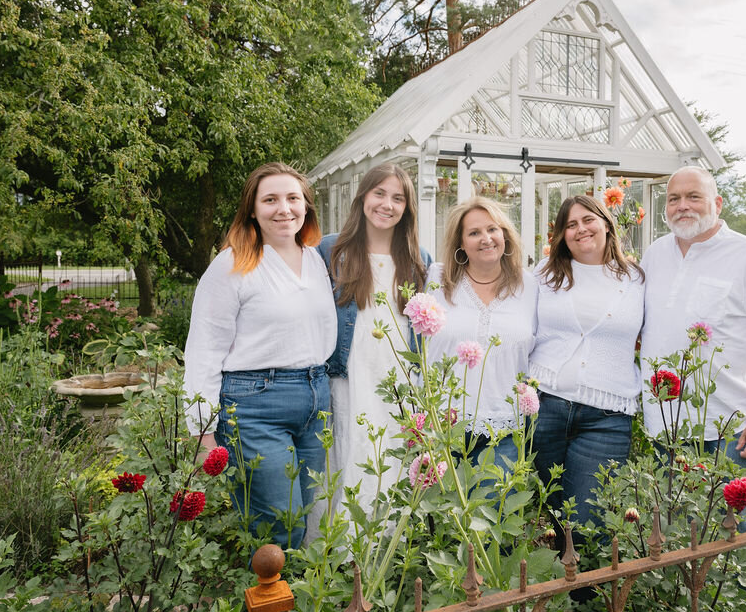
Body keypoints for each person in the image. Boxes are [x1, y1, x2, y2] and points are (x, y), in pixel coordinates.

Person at [640, 166, 746, 608]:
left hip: (731, 432)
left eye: (693, 197)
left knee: (744, 542)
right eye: (673, 199)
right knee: (676, 544)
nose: (682, 206)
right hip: (666, 431)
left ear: (717, 204)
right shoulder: (655, 254)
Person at [184, 162, 337, 549]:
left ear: (306, 207)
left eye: (292, 198)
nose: (283, 208)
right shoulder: (233, 264)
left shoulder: (316, 260)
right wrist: (202, 428)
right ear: (252, 209)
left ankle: (295, 598)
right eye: (270, 200)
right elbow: (203, 348)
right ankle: (273, 603)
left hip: (315, 398)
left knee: (304, 516)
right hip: (255, 404)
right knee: (279, 525)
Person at [316, 163, 431, 524]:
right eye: (379, 193)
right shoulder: (332, 250)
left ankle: (384, 554)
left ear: (407, 209)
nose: (387, 204)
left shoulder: (417, 260)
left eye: (398, 198)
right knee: (345, 456)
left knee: (390, 463)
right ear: (363, 196)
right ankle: (337, 558)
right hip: (348, 376)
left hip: (397, 381)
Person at [529, 194, 645, 535]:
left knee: (586, 523)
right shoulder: (544, 274)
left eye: (588, 220)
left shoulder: (636, 280)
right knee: (551, 511)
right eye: (570, 224)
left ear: (607, 224)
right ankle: (556, 582)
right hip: (545, 408)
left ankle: (583, 589)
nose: (581, 229)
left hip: (605, 420)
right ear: (562, 235)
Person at [426, 197, 538, 479]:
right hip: (443, 426)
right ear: (460, 244)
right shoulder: (437, 281)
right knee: (445, 519)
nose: (486, 238)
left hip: (504, 430)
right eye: (474, 233)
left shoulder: (529, 285)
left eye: (492, 229)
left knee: (495, 520)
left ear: (505, 235)